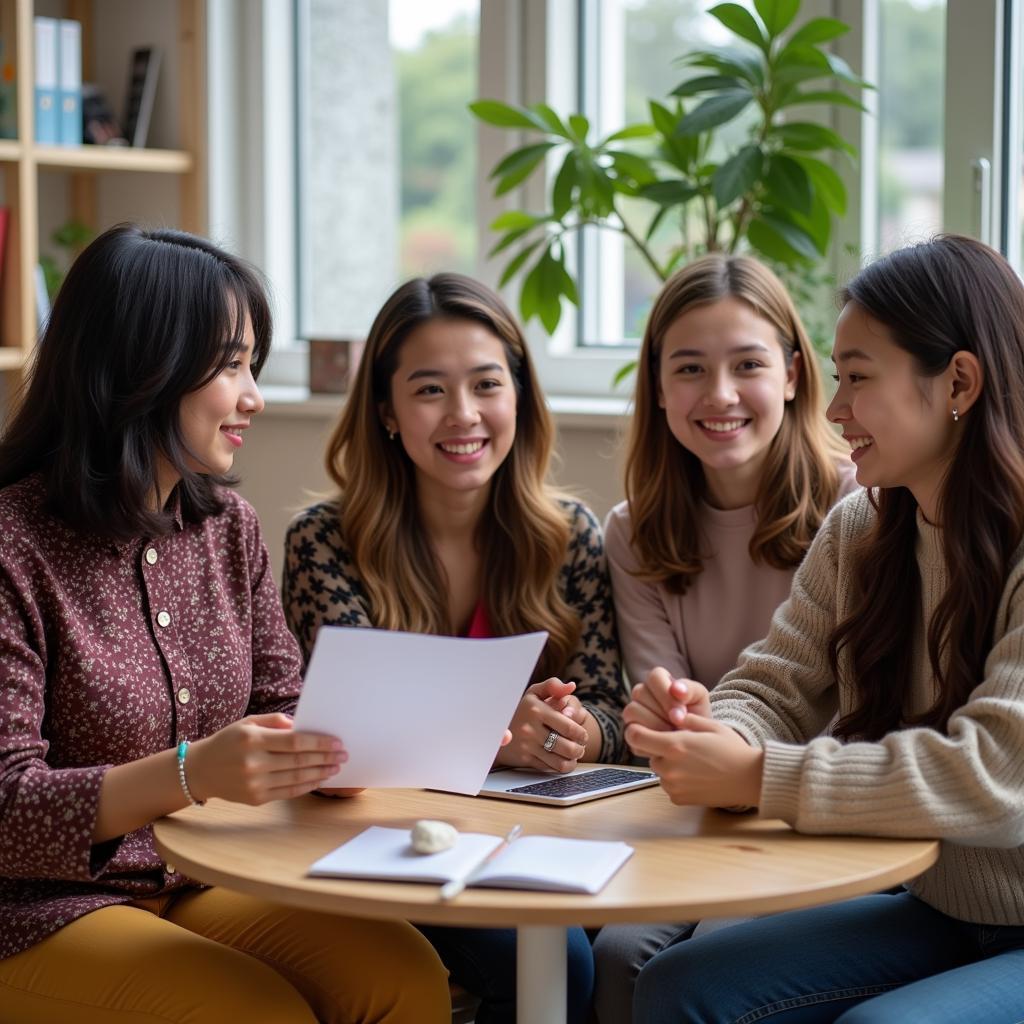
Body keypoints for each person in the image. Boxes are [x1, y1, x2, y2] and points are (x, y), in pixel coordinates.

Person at [0, 224, 450, 1024]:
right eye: (230, 366)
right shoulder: (13, 544)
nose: (255, 397)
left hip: (197, 877)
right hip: (36, 911)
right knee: (255, 1013)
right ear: (139, 368)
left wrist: (430, 733)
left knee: (404, 975)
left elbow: (284, 701)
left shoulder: (226, 528)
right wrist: (191, 773)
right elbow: (7, 808)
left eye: (253, 365)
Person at [627, 234, 1024, 1024]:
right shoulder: (861, 531)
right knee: (677, 985)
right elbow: (773, 688)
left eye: (858, 379)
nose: (835, 409)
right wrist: (706, 724)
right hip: (942, 910)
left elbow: (997, 776)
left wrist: (756, 778)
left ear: (959, 381)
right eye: (837, 379)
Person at [283, 272, 627, 1024]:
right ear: (386, 411)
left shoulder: (571, 534)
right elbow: (345, 731)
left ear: (519, 398)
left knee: (612, 944)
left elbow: (614, 711)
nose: (464, 414)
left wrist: (574, 729)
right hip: (384, 840)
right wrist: (503, 734)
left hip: (535, 834)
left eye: (486, 384)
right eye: (431, 390)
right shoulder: (323, 543)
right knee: (558, 960)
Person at [593, 253, 857, 1022]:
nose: (719, 395)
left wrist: (741, 764)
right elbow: (667, 716)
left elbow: (867, 711)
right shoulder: (634, 532)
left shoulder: (861, 505)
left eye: (748, 364)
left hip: (823, 810)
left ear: (794, 375)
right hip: (705, 809)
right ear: (657, 386)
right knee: (615, 952)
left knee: (710, 954)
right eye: (689, 369)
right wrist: (664, 715)